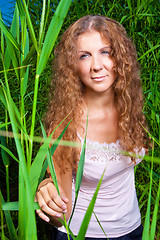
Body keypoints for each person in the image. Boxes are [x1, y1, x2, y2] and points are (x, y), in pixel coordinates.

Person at [36, 15, 149, 240]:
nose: (96, 66)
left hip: (133, 228)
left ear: (120, 57)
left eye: (105, 52)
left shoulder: (130, 105)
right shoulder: (65, 125)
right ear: (72, 65)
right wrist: (47, 195)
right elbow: (62, 215)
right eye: (84, 56)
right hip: (84, 234)